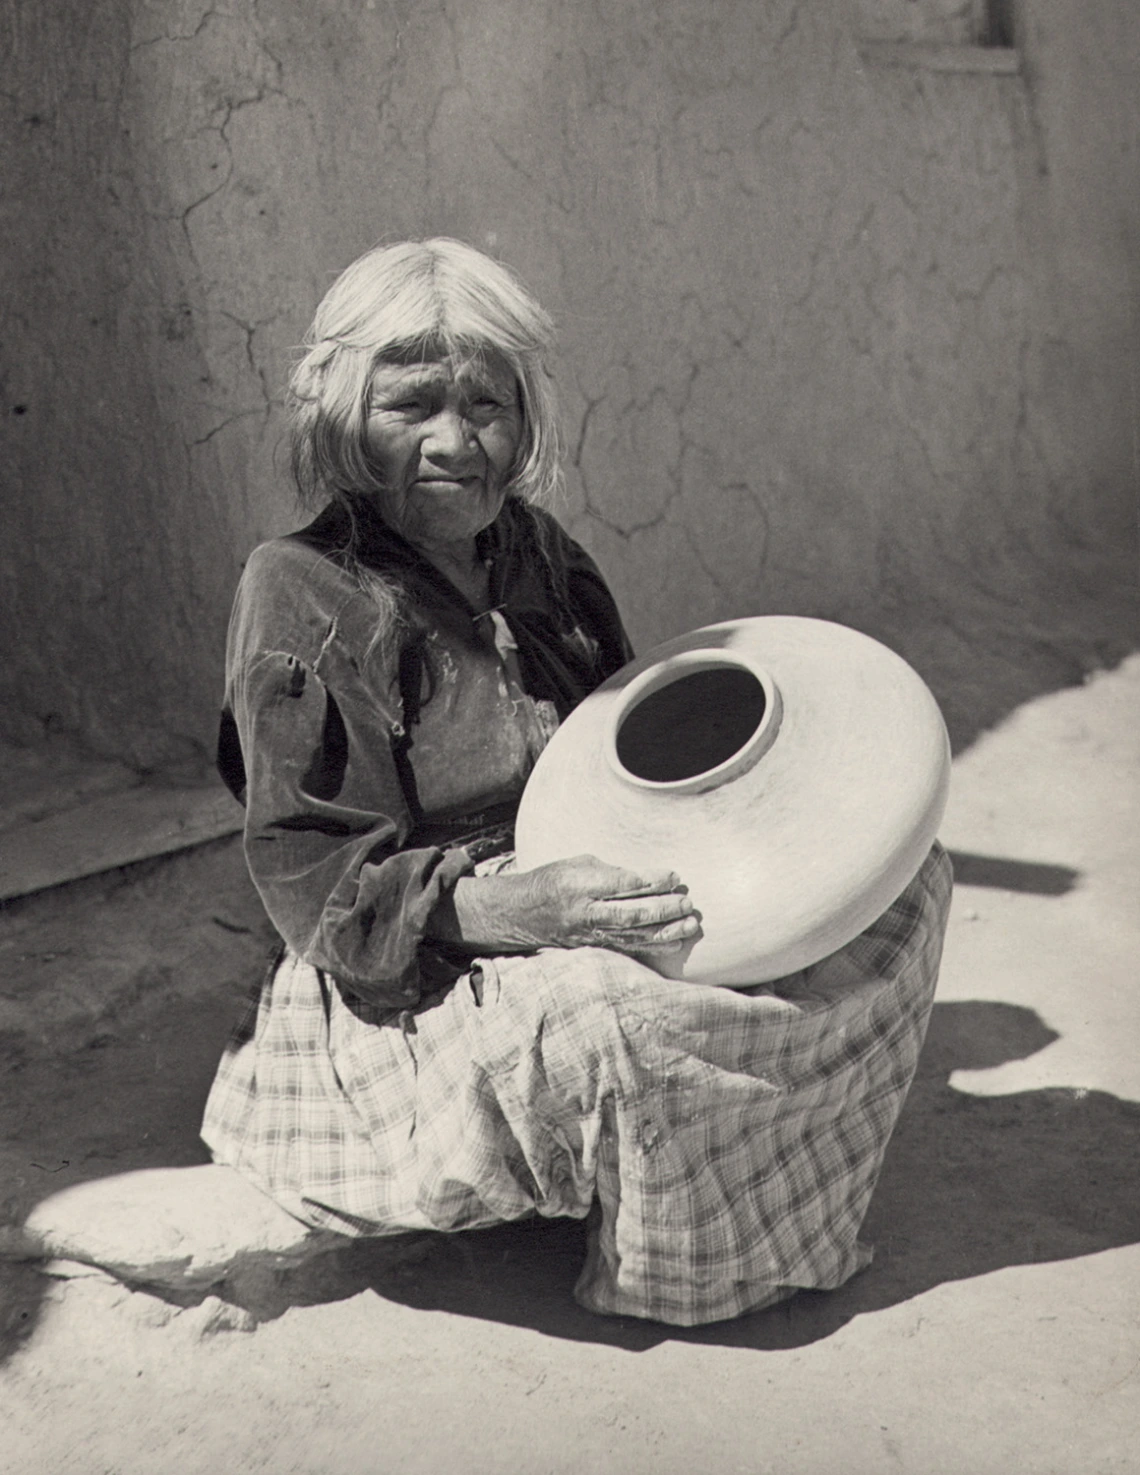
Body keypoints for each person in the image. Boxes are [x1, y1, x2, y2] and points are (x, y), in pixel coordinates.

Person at [203, 237, 952, 1326]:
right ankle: (677, 1261)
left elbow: (628, 750)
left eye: (488, 405)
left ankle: (754, 1208)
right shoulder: (303, 590)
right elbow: (328, 895)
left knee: (901, 888)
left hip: (578, 888)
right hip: (415, 966)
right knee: (617, 1010)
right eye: (412, 406)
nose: (458, 442)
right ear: (341, 418)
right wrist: (531, 907)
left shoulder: (538, 553)